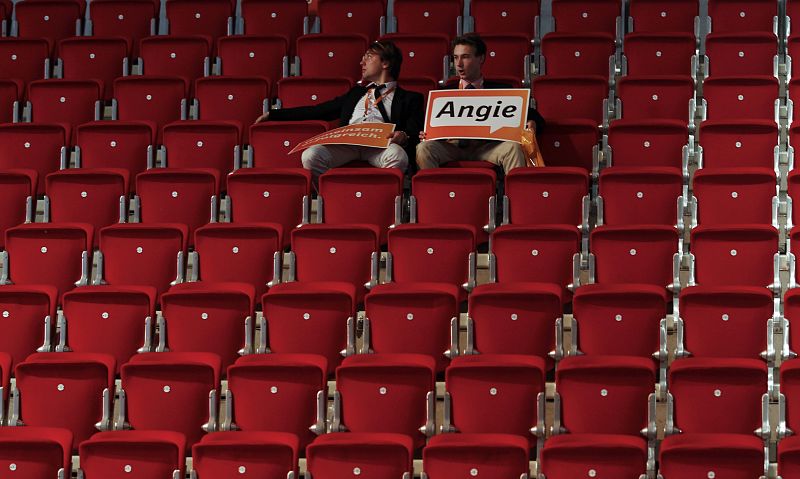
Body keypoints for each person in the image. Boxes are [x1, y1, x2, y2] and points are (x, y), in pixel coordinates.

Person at [254, 40, 424, 180]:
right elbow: (318, 111)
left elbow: (414, 130)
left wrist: (403, 136)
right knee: (311, 156)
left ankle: (379, 197)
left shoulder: (410, 98)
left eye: (369, 57)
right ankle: (332, 194)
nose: (362, 62)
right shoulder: (356, 93)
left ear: (385, 63)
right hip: (348, 143)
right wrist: (274, 114)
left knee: (398, 156)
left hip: (381, 145)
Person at [415, 33, 546, 172]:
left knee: (513, 148)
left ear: (481, 58)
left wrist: (533, 122)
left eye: (465, 57)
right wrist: (425, 133)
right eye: (455, 57)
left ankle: (517, 193)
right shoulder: (443, 93)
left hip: (489, 147)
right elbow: (427, 127)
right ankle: (435, 193)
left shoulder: (502, 90)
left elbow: (537, 118)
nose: (459, 64)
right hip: (453, 147)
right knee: (423, 148)